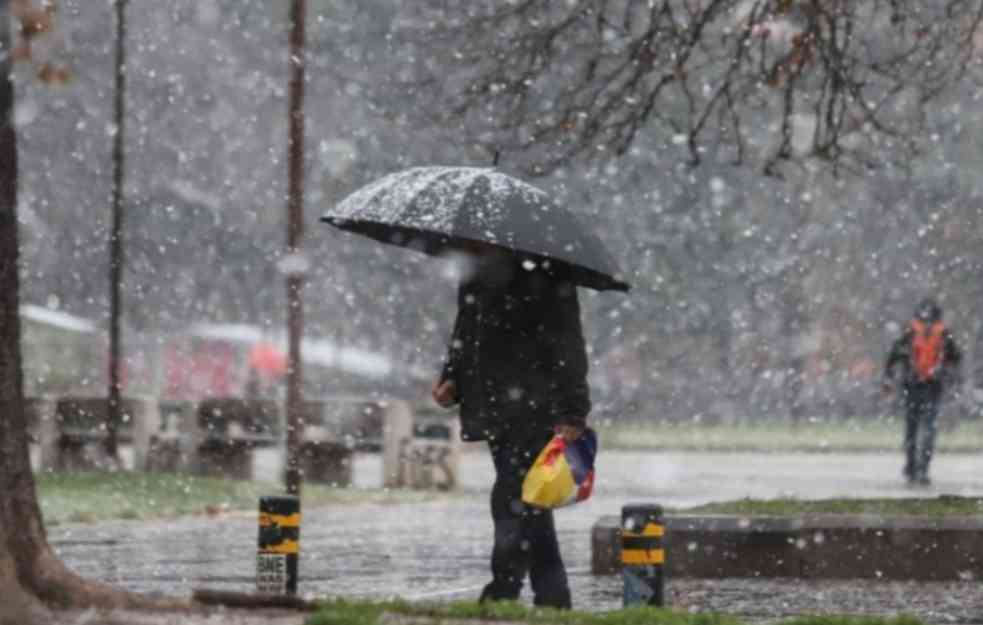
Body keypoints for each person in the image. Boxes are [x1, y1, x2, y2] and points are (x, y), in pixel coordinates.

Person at [432, 241, 591, 609]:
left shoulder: (548, 275)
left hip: (535, 404)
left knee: (513, 498)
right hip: (491, 404)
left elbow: (569, 347)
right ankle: (549, 596)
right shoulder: (475, 274)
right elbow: (465, 331)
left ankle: (506, 589)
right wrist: (451, 379)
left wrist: (572, 411)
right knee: (527, 500)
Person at [883, 297, 962, 486]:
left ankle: (912, 467)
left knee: (912, 428)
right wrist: (950, 376)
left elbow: (893, 356)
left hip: (913, 386)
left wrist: (888, 378)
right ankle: (922, 469)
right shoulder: (943, 334)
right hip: (932, 386)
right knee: (928, 428)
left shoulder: (909, 332)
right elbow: (956, 358)